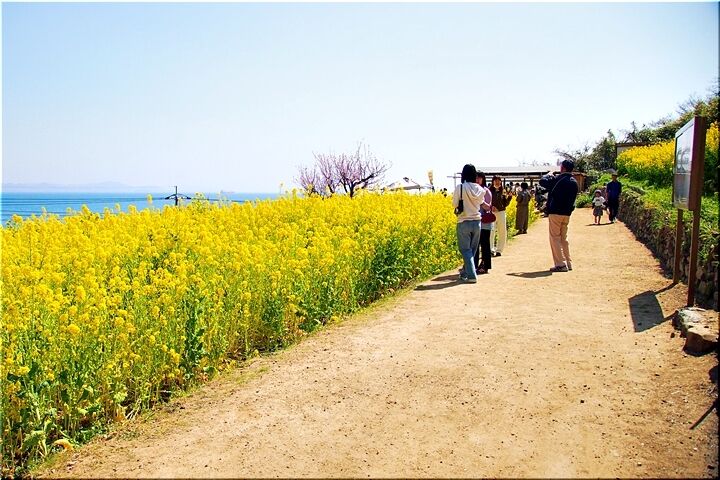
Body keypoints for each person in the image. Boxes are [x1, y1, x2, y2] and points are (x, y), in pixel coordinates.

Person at [539, 160, 579, 272]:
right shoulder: (574, 182)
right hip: (567, 213)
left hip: (555, 212)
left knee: (555, 238)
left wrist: (549, 174)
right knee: (563, 239)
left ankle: (560, 264)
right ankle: (568, 263)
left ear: (563, 168)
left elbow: (542, 181)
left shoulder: (558, 179)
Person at [452, 164, 489, 283]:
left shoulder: (460, 187)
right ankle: (464, 273)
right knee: (472, 251)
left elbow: (454, 204)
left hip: (463, 221)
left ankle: (472, 275)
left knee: (465, 250)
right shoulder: (480, 189)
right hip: (477, 222)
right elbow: (481, 203)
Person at [473, 172, 494, 274]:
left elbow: (488, 207)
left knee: (485, 245)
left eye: (479, 178)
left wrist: (480, 201)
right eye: (476, 178)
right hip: (476, 221)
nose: (477, 180)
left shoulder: (486, 191)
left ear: (483, 179)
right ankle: (474, 266)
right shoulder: (473, 190)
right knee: (475, 246)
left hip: (485, 222)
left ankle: (485, 266)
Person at [489, 175, 512, 257]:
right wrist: (491, 207)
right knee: (491, 231)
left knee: (502, 231)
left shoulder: (503, 191)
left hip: (501, 212)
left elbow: (505, 204)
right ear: (492, 182)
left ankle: (499, 250)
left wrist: (509, 198)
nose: (497, 182)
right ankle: (491, 249)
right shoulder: (489, 191)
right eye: (495, 181)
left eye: (499, 181)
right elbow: (486, 201)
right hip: (492, 213)